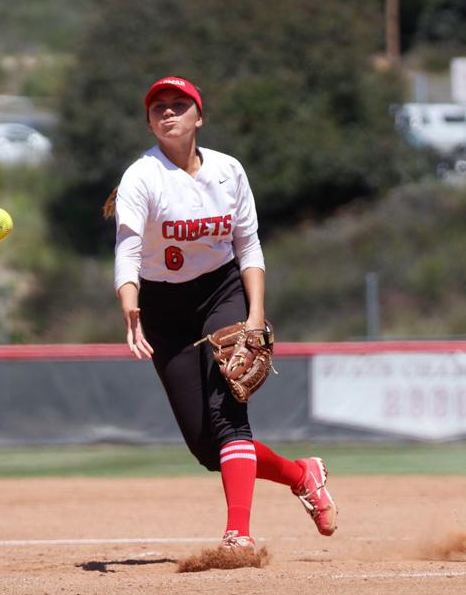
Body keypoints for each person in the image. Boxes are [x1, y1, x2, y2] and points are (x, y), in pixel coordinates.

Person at [106, 76, 337, 550]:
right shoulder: (141, 177)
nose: (168, 112)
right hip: (163, 306)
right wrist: (131, 307)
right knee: (206, 446)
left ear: (199, 116)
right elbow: (127, 250)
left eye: (178, 104)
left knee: (228, 411)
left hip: (221, 292)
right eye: (158, 108)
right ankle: (301, 474)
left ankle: (239, 535)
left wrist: (255, 314)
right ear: (149, 122)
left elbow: (248, 245)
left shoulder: (229, 171)